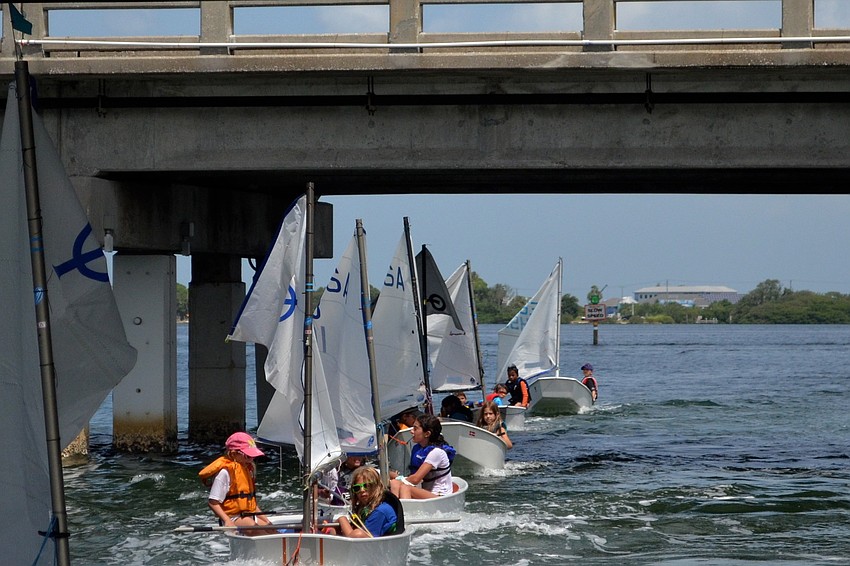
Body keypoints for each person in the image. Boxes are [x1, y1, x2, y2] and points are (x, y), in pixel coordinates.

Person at [199, 432, 275, 535]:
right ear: (234, 453)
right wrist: (227, 520)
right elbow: (213, 502)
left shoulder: (247, 469)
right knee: (259, 532)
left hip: (249, 514)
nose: (251, 459)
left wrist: (266, 520)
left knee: (273, 531)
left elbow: (251, 504)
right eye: (248, 456)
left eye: (253, 456)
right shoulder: (225, 473)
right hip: (233, 517)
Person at [389, 414, 456, 500]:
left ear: (427, 434)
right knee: (395, 483)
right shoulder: (417, 449)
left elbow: (415, 479)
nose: (411, 431)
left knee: (405, 487)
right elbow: (414, 477)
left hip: (440, 496)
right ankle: (395, 510)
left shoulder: (436, 452)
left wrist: (398, 479)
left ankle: (404, 512)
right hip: (425, 492)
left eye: (415, 429)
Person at [334, 466, 403, 538]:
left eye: (367, 485)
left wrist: (342, 519)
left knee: (357, 534)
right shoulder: (364, 508)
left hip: (381, 546)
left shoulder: (381, 511)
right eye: (357, 488)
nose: (362, 490)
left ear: (377, 487)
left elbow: (361, 538)